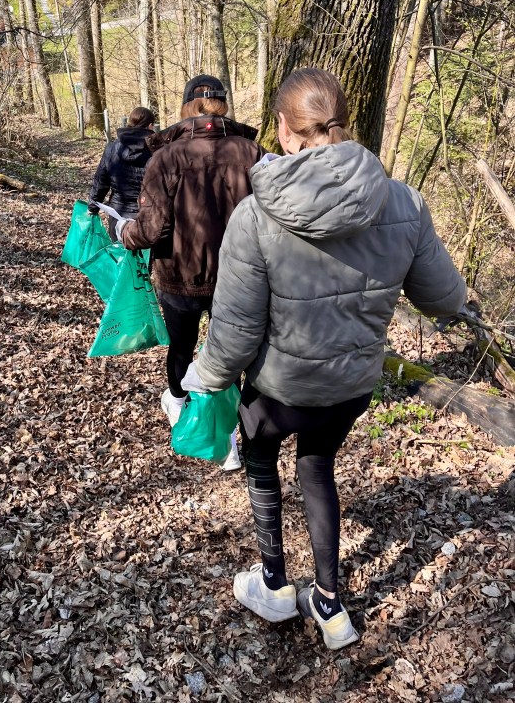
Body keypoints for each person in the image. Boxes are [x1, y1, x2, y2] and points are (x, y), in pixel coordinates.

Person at [183, 68, 467, 648]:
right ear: (344, 122)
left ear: (284, 130)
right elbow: (444, 299)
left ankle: (274, 584)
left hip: (279, 392)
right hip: (351, 387)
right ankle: (331, 606)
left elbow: (236, 333)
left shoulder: (255, 215)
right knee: (317, 468)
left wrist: (203, 377)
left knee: (260, 459)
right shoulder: (403, 202)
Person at [118, 75, 263, 470]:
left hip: (178, 275)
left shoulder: (167, 157)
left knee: (181, 348)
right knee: (229, 357)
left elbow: (151, 230)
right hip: (238, 277)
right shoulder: (252, 153)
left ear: (187, 108)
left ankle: (182, 412)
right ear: (223, 105)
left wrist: (123, 231)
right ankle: (228, 442)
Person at [88, 106, 155, 241]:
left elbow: (101, 181)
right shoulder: (158, 152)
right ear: (150, 126)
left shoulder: (112, 149)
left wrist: (92, 207)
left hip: (118, 215)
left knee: (119, 253)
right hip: (148, 217)